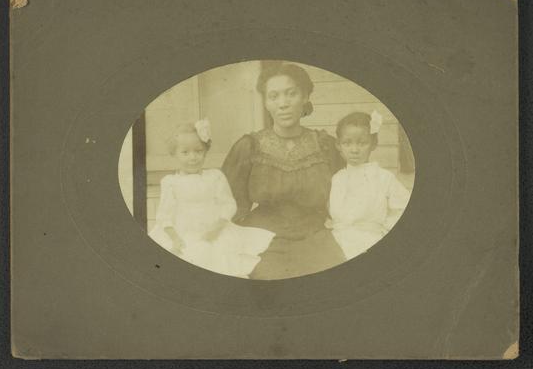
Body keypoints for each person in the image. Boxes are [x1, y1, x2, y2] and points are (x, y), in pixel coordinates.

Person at [222, 62, 347, 280]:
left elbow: (344, 197)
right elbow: (229, 204)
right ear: (266, 103)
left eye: (291, 94)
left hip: (315, 236)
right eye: (274, 96)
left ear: (305, 96)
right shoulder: (249, 147)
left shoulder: (327, 146)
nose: (283, 104)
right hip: (262, 237)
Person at [148, 119, 274, 278]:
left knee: (220, 261)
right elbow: (164, 216)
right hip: (183, 232)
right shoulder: (170, 182)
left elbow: (228, 205)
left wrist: (216, 229)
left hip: (215, 230)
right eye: (185, 152)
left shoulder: (215, 177)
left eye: (198, 151)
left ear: (205, 151)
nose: (193, 157)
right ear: (174, 154)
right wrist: (175, 238)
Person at [329, 111, 411, 260]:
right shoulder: (337, 179)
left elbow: (403, 208)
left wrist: (385, 233)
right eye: (347, 143)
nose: (354, 150)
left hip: (371, 242)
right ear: (338, 145)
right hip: (337, 244)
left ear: (374, 144)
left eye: (362, 143)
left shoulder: (383, 178)